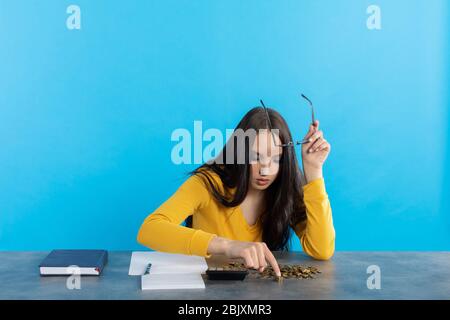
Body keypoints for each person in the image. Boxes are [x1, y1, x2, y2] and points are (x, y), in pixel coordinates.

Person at [137, 106, 335, 277]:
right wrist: (227, 246)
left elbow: (322, 249)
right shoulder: (208, 182)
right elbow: (149, 230)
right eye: (255, 157)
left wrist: (314, 171)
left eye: (276, 159)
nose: (265, 169)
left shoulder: (283, 191)